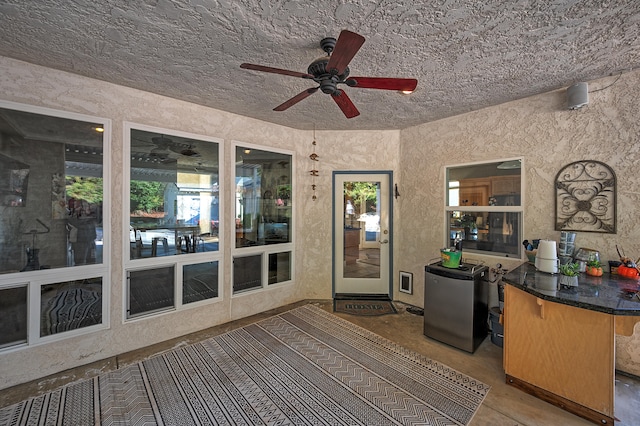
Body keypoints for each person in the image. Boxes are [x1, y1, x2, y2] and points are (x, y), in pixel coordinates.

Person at [67, 199, 97, 265]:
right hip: (80, 242)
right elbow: (76, 223)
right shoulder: (74, 216)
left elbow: (96, 221)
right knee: (80, 262)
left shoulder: (91, 217)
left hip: (91, 240)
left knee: (92, 261)